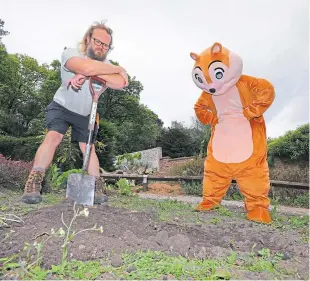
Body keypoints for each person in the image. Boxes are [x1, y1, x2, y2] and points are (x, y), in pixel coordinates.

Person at [22, 21, 128, 204]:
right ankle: (33, 182)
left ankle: (96, 186)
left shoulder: (106, 63)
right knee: (53, 136)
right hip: (62, 106)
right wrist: (116, 69)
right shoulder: (70, 53)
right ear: (88, 38)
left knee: (88, 147)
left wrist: (90, 73)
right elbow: (92, 68)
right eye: (97, 41)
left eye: (105, 45)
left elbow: (122, 83)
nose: (101, 47)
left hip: (87, 112)